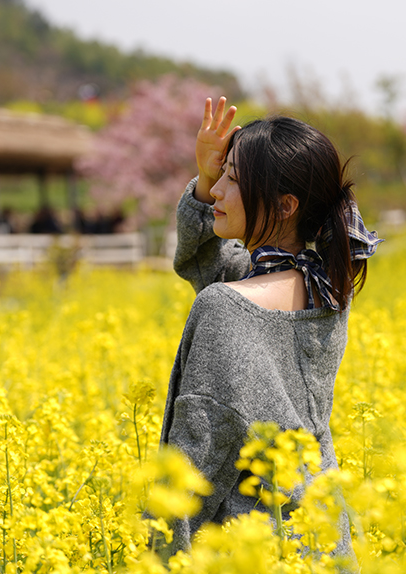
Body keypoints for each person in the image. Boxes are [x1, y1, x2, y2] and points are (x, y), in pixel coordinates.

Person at [159, 97, 383, 565]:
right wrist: (205, 174)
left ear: (285, 205)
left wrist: (163, 558)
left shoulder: (225, 307)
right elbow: (207, 262)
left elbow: (192, 470)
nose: (217, 190)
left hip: (255, 548)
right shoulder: (326, 287)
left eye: (232, 180)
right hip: (321, 538)